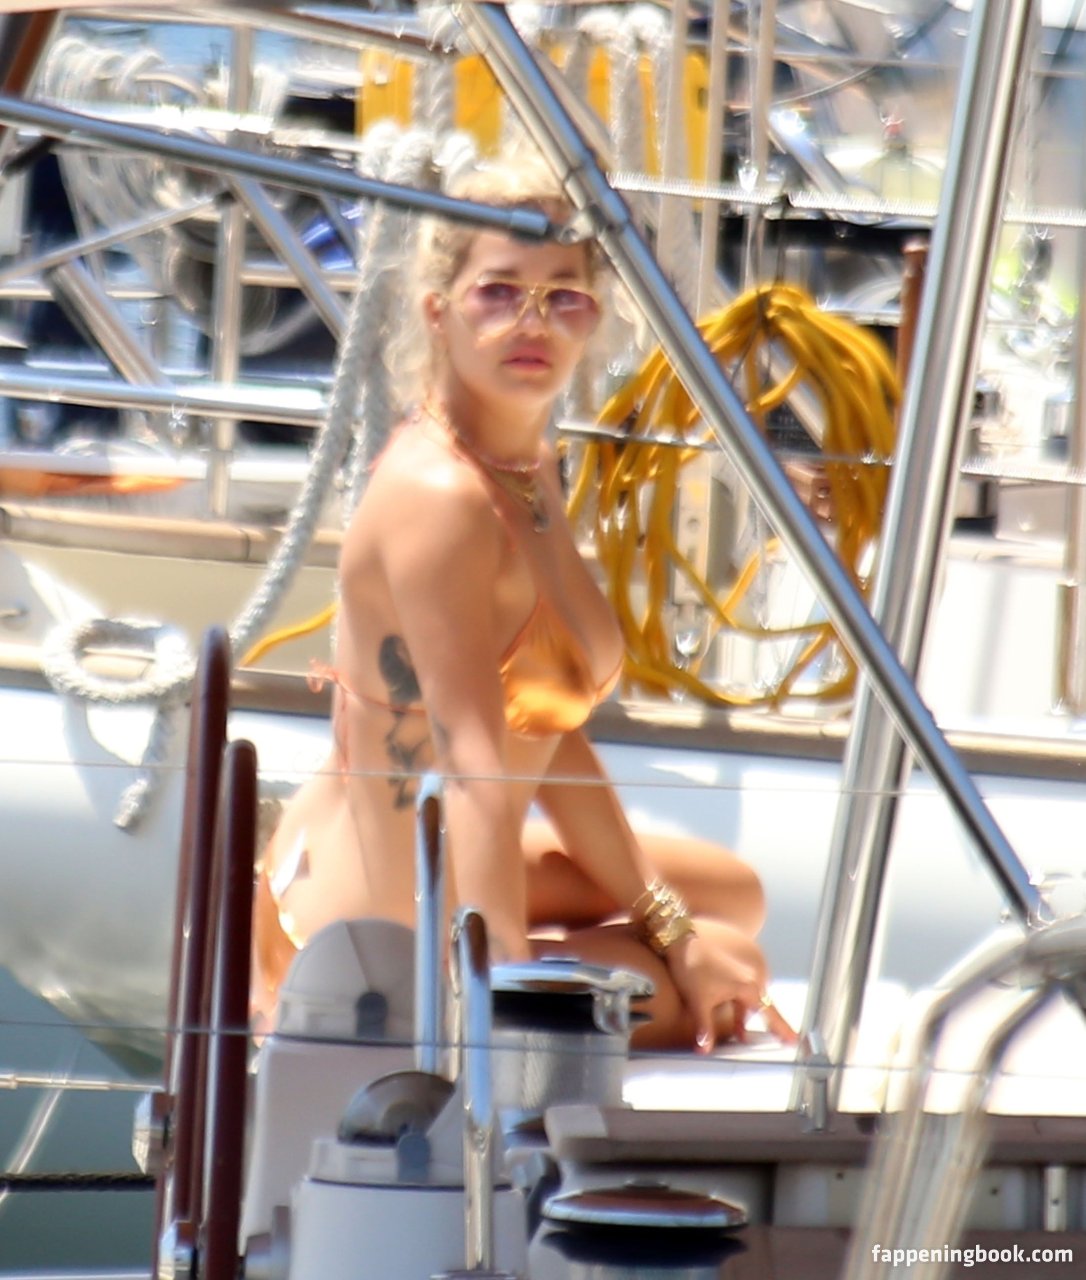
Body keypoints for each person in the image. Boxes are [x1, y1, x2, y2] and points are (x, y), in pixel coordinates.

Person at [253, 154, 793, 1051]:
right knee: (734, 956)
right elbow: (472, 768)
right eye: (499, 293)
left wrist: (670, 929)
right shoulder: (443, 499)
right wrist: (494, 1011)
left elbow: (545, 727)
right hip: (385, 932)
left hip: (444, 855)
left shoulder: (524, 464)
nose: (532, 322)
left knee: (731, 899)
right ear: (439, 310)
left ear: (594, 318)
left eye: (562, 297)